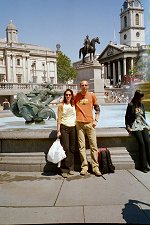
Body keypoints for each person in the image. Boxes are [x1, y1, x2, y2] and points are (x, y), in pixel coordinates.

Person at [74, 80, 101, 176]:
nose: (84, 86)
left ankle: (95, 167)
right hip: (79, 124)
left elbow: (97, 109)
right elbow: (69, 106)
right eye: (82, 85)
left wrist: (96, 120)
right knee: (82, 147)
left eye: (86, 85)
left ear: (88, 86)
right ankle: (84, 166)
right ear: (80, 86)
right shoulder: (76, 96)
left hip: (90, 123)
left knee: (94, 146)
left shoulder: (92, 95)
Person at [125, 89, 150, 173]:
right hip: (134, 125)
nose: (141, 99)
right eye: (140, 97)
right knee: (141, 143)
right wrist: (128, 126)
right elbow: (127, 117)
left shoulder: (141, 105)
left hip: (142, 125)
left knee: (147, 141)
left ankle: (149, 163)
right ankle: (143, 166)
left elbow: (144, 116)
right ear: (136, 97)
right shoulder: (130, 105)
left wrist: (147, 125)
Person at [57, 89, 76, 178]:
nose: (68, 96)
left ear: (72, 95)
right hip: (64, 128)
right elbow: (59, 119)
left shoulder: (74, 105)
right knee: (65, 148)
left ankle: (70, 168)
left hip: (73, 127)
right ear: (64, 96)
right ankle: (64, 169)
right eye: (66, 95)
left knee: (72, 149)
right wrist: (58, 130)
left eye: (69, 95)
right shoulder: (61, 105)